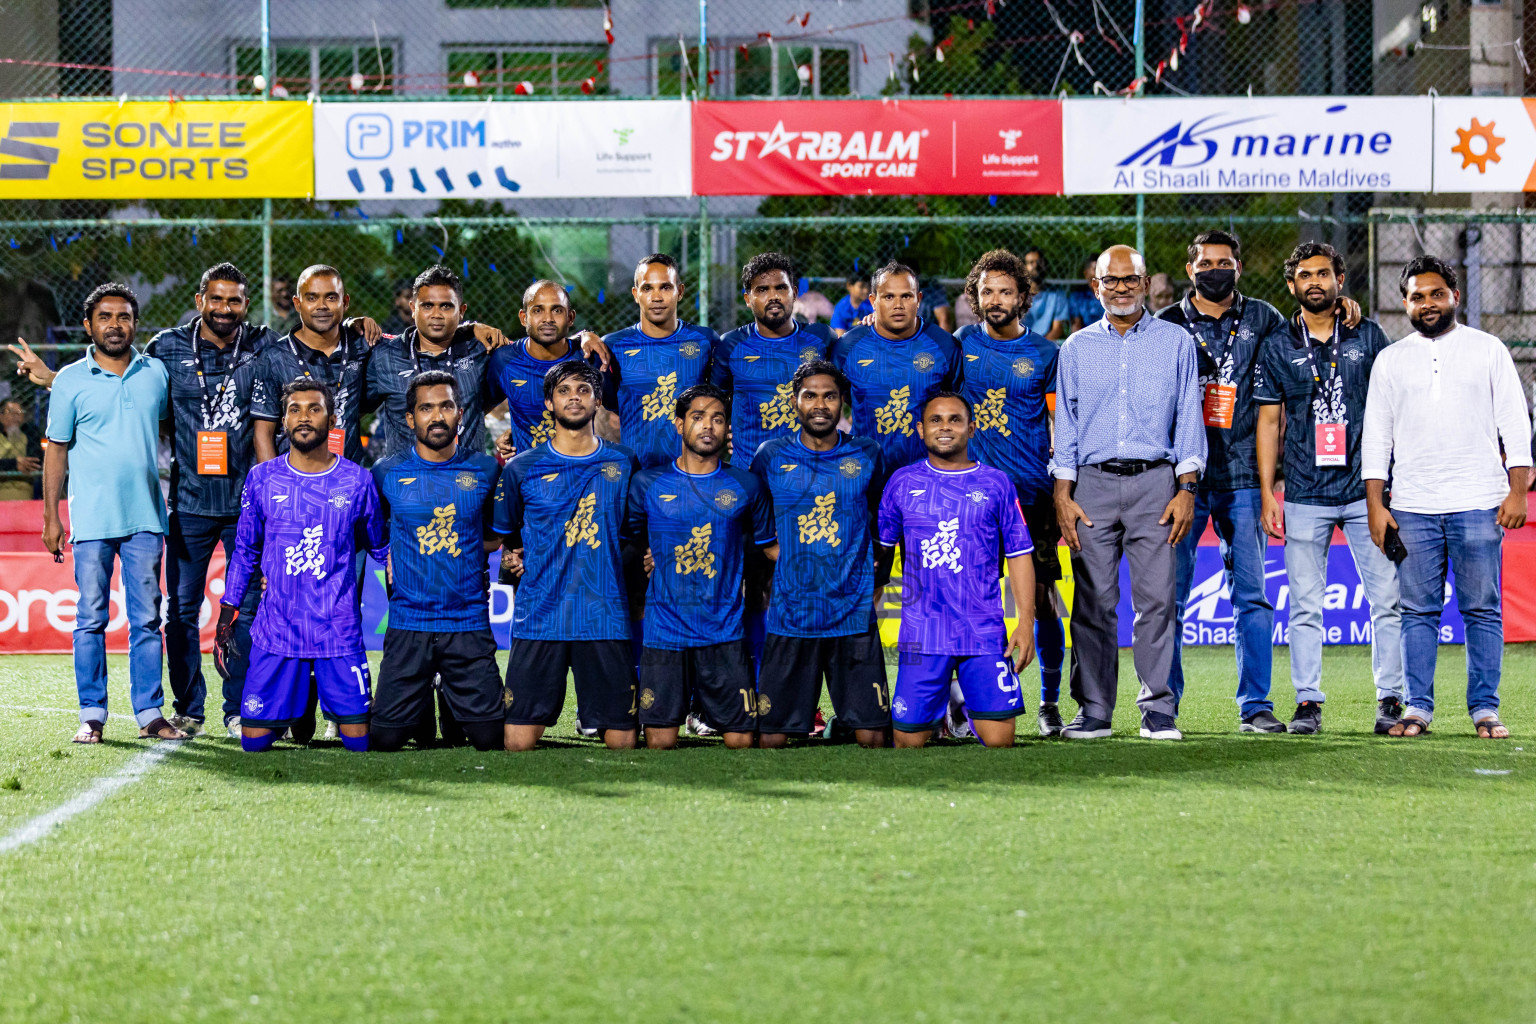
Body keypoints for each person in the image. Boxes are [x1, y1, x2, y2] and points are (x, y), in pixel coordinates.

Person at [1363, 255, 1532, 739]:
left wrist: (1517, 490)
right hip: (1412, 506)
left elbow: (1515, 426)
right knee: (1417, 612)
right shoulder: (1391, 359)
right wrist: (1377, 505)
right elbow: (1376, 439)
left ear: (1455, 297)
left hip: (1479, 502)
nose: (1428, 303)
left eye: (1437, 293)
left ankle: (1484, 709)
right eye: (1418, 296)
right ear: (1405, 304)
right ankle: (1418, 708)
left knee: (1482, 608)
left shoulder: (1488, 349)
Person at [1053, 245, 1204, 741]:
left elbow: (1189, 416)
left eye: (1129, 279)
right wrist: (1063, 492)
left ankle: (1158, 709)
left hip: (1157, 484)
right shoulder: (1074, 348)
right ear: (1095, 286)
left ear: (1145, 283)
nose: (1120, 288)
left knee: (1157, 601)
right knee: (1093, 602)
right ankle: (1094, 710)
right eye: (1110, 280)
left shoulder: (1176, 342)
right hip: (1091, 487)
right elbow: (1066, 427)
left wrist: (1186, 488)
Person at [1256, 242, 1405, 736]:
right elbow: (1269, 422)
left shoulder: (1370, 334)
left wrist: (1388, 490)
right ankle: (1307, 701)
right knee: (1304, 604)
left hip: (1366, 492)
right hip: (1303, 491)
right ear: (1292, 285)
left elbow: (1390, 412)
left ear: (1341, 279)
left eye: (1324, 273)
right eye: (1305, 275)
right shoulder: (1279, 342)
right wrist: (1266, 492)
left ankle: (1390, 698)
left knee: (1385, 598)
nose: (1315, 281)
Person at [1155, 231, 1287, 732]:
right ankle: (1164, 704)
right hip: (1180, 481)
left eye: (1225, 262)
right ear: (1190, 270)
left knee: (1252, 596)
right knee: (1170, 599)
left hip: (1247, 479)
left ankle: (1255, 706)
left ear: (1239, 266)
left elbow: (1312, 334)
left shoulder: (1265, 319)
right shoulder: (1165, 325)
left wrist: (1347, 312)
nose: (1216, 269)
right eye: (1206, 263)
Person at [43, 283, 184, 744]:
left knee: (146, 621)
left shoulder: (156, 374)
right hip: (92, 521)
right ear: (89, 325)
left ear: (135, 324)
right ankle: (92, 713)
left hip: (146, 516)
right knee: (90, 618)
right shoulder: (68, 380)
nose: (115, 325)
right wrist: (51, 517)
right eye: (105, 317)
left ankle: (150, 713)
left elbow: (167, 425)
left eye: (123, 317)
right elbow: (56, 452)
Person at [215, 380, 387, 753]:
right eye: (294, 409)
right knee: (254, 743)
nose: (304, 417)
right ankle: (299, 702)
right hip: (278, 628)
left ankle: (314, 696)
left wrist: (404, 582)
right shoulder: (262, 478)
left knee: (359, 744)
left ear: (333, 418)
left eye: (314, 408)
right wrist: (228, 609)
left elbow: (379, 545)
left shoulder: (358, 480)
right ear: (283, 420)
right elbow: (245, 550)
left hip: (336, 629)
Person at [143, 262, 276, 738]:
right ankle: (189, 708)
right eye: (216, 299)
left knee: (249, 608)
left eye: (234, 300)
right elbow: (130, 396)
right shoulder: (165, 348)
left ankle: (239, 707)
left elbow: (318, 347)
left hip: (247, 508)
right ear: (200, 300)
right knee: (179, 611)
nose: (224, 309)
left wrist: (355, 325)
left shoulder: (264, 344)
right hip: (190, 505)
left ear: (245, 304)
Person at [495, 360, 642, 751]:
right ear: (548, 403)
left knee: (623, 743)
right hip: (542, 616)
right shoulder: (521, 468)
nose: (574, 397)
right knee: (517, 742)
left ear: (597, 402)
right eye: (564, 390)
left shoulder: (623, 462)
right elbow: (508, 534)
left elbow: (633, 533)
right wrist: (518, 556)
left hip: (603, 615)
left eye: (584, 390)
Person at [877, 392, 1036, 748]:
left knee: (1000, 742)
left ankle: (959, 711)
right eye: (935, 420)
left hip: (983, 633)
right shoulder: (901, 483)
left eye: (954, 420)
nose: (944, 427)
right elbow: (880, 559)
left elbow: (1020, 553)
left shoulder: (996, 483)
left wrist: (1025, 623)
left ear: (972, 428)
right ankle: (946, 711)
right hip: (923, 635)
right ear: (920, 429)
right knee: (908, 744)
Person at [954, 249, 1067, 736]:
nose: (996, 300)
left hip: (1032, 497)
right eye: (986, 292)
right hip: (972, 499)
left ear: (1023, 296)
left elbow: (1064, 425)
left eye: (1005, 291)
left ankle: (1049, 700)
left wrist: (1064, 489)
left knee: (1041, 602)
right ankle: (960, 704)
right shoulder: (959, 346)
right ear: (975, 299)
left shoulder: (1046, 354)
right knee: (968, 601)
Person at [749, 360, 891, 749]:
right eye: (809, 395)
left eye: (829, 396)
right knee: (771, 739)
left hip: (851, 610)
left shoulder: (867, 454)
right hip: (792, 612)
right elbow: (753, 517)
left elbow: (882, 518)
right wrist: (774, 552)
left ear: (842, 402)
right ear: (794, 402)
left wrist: (878, 576)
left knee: (874, 737)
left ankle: (844, 722)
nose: (820, 404)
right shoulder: (770, 456)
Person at [627, 383, 772, 749]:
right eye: (697, 417)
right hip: (664, 631)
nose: (708, 426)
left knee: (741, 740)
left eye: (717, 419)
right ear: (678, 424)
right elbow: (629, 539)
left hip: (723, 629)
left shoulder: (746, 484)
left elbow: (765, 547)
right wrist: (651, 552)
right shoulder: (647, 483)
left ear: (727, 429)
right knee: (659, 742)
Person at [369, 371, 504, 752]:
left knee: (491, 739)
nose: (437, 416)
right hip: (409, 621)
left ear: (460, 413)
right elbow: (376, 534)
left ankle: (446, 693)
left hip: (467, 620)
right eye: (426, 408)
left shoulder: (486, 469)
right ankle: (420, 702)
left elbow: (493, 538)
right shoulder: (385, 473)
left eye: (446, 406)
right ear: (410, 419)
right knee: (384, 740)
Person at [364, 264, 508, 463]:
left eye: (446, 306)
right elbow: (356, 408)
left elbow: (500, 400)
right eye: (427, 306)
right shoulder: (384, 355)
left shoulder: (482, 351)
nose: (436, 314)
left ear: (462, 311)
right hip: (405, 483)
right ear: (413, 308)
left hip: (467, 479)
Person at [833, 260, 959, 473]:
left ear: (918, 299)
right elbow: (843, 395)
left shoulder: (944, 346)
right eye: (888, 296)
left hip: (925, 473)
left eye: (906, 296)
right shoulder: (848, 346)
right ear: (873, 300)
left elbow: (952, 400)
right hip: (865, 471)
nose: (898, 305)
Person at [249, 265, 380, 466]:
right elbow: (263, 432)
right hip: (294, 481)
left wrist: (356, 322)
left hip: (348, 479)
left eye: (331, 297)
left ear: (345, 302)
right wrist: (271, 483)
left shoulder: (362, 347)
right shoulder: (274, 357)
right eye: (311, 298)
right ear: (297, 303)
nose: (322, 306)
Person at [712, 252, 834, 464]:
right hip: (749, 472)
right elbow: (713, 403)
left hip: (809, 469)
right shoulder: (730, 345)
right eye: (762, 290)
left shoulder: (822, 338)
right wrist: (723, 434)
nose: (773, 296)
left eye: (781, 288)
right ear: (748, 299)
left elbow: (851, 393)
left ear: (794, 293)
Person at [600, 253, 719, 468]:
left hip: (694, 472)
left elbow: (721, 399)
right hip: (637, 474)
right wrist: (583, 335)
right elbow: (613, 404)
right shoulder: (613, 346)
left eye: (665, 287)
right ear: (636, 294)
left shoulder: (705, 341)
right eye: (647, 288)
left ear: (679, 291)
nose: (656, 297)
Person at [487, 280, 598, 456]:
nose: (548, 318)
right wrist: (512, 434)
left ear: (570, 318)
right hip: (529, 474)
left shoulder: (588, 357)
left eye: (557, 310)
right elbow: (481, 408)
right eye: (538, 310)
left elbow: (616, 407)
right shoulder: (504, 360)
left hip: (582, 469)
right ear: (524, 318)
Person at [1021, 248, 1069, 341]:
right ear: (1024, 268)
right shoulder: (1016, 295)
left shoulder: (1057, 294)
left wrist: (1040, 347)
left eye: (1039, 262)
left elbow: (1057, 329)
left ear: (1046, 265)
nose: (1036, 266)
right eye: (1031, 262)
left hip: (1045, 346)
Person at [0, 398, 42, 500]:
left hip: (23, 488)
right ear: (1, 416)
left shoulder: (29, 436)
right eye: (11, 412)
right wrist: (15, 463)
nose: (16, 416)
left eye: (19, 412)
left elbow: (36, 462)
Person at [1068, 259, 1103, 331]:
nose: (1100, 273)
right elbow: (1076, 326)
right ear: (1086, 273)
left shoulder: (1112, 296)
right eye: (1095, 269)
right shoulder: (1077, 297)